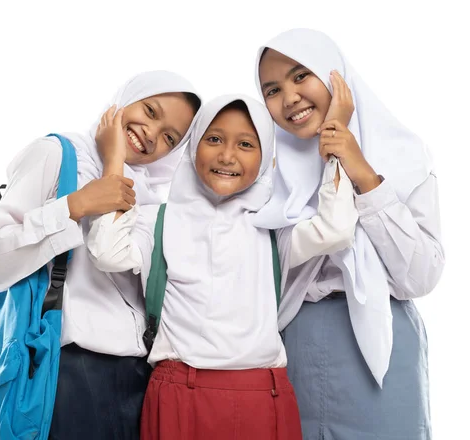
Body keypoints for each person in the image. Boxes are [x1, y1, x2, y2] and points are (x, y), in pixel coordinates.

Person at [86, 94, 357, 439]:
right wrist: (115, 161)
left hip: (262, 396)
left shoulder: (273, 229)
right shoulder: (157, 220)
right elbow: (107, 252)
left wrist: (336, 138)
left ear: (267, 161)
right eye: (213, 139)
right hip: (178, 393)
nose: (227, 156)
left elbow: (336, 228)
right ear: (193, 145)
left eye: (246, 144)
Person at [0, 70, 201, 440]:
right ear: (126, 98)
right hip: (65, 370)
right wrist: (74, 206)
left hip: (136, 379)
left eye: (169, 138)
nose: (150, 135)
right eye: (151, 111)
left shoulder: (154, 203)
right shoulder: (58, 155)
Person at [253, 28, 444, 439]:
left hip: (383, 343)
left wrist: (358, 169)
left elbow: (420, 275)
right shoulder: (264, 175)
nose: (289, 98)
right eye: (272, 89)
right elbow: (260, 280)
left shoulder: (404, 157)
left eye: (301, 75)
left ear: (335, 75)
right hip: (294, 343)